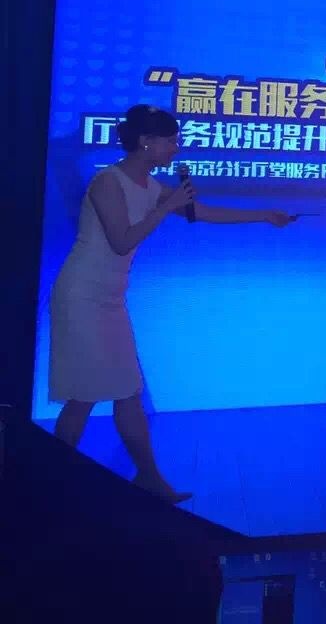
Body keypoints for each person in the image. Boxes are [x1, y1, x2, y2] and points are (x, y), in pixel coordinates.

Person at [49, 105, 294, 502]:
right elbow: (122, 240)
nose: (175, 148)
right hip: (81, 296)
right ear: (146, 142)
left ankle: (149, 478)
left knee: (128, 389)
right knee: (84, 395)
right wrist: (165, 207)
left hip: (111, 298)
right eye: (170, 141)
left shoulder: (151, 186)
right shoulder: (108, 181)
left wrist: (264, 215)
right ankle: (52, 483)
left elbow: (203, 213)